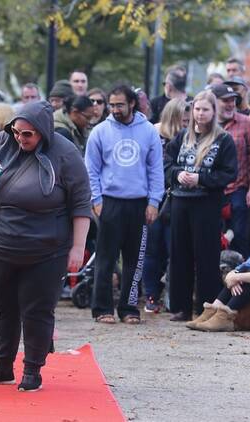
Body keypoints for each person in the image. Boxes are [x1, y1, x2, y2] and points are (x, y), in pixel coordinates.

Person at [0, 100, 90, 392]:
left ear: (43, 132)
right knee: (5, 308)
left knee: (37, 310)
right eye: (17, 132)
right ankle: (3, 366)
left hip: (48, 249)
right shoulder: (2, 141)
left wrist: (77, 249)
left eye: (28, 134)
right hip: (2, 246)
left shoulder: (65, 153)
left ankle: (33, 370)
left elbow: (81, 204)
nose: (20, 138)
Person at [85, 85, 163, 324]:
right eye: (112, 105)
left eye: (120, 104)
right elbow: (91, 169)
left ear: (132, 104)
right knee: (105, 260)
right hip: (110, 203)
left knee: (134, 260)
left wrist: (154, 201)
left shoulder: (149, 131)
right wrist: (97, 200)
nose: (115, 109)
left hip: (139, 204)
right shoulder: (100, 132)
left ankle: (129, 308)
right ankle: (102, 309)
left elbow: (155, 169)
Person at [164, 89, 238, 321]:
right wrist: (177, 174)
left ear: (214, 111)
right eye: (197, 109)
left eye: (205, 109)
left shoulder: (223, 139)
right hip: (180, 202)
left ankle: (206, 306)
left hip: (207, 203)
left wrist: (201, 178)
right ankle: (181, 307)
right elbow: (166, 163)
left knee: (206, 255)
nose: (200, 113)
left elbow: (229, 172)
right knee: (179, 255)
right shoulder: (182, 137)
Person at [142, 98, 189, 312]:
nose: (189, 124)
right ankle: (151, 294)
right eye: (184, 119)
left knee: (175, 248)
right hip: (154, 197)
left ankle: (174, 295)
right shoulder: (152, 133)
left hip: (178, 198)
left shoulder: (191, 139)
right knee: (152, 248)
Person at [213, 84, 250, 258]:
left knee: (240, 237)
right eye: (225, 101)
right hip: (212, 189)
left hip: (238, 189)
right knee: (213, 237)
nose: (230, 104)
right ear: (214, 102)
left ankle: (240, 277)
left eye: (232, 100)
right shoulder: (206, 123)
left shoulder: (246, 122)